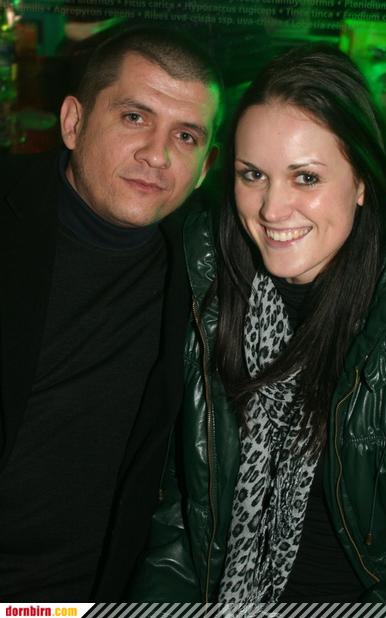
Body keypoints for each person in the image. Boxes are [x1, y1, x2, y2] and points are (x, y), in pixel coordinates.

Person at [129, 43, 386, 603]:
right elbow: (182, 518)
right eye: (253, 174)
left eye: (305, 178)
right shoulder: (211, 280)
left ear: (361, 182)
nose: (271, 209)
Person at [0, 25, 221, 601]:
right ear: (73, 122)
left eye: (186, 136)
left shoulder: (208, 270)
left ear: (205, 166)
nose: (157, 154)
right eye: (134, 117)